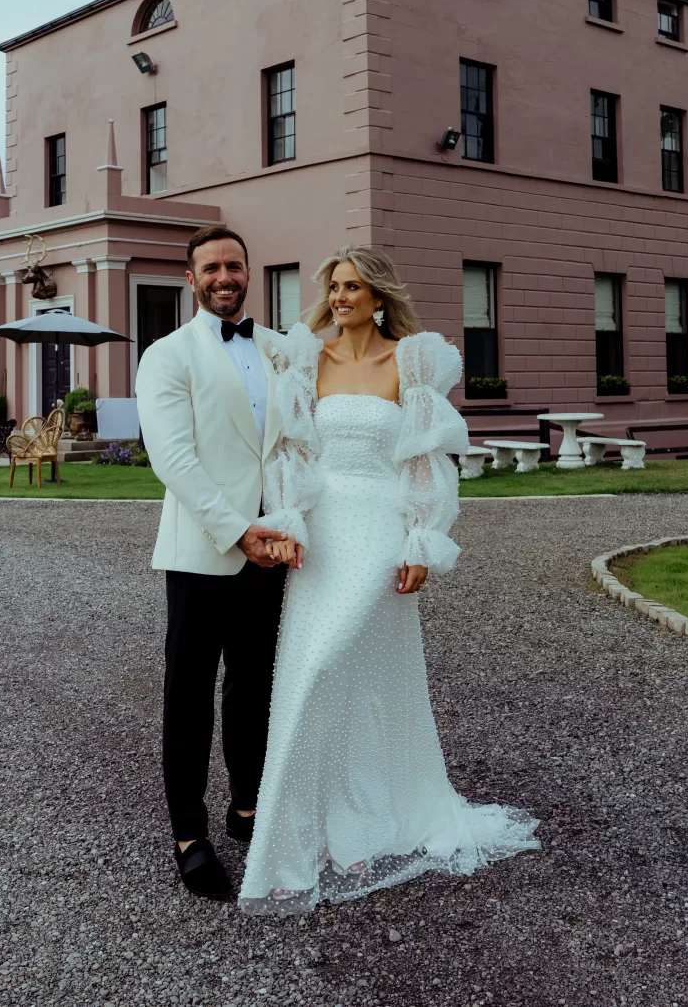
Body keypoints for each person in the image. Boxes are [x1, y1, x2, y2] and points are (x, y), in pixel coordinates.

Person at [239, 247, 540, 914]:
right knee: (317, 675)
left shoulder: (411, 362)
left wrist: (421, 543)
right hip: (321, 535)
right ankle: (328, 832)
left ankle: (353, 821)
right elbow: (292, 454)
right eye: (334, 286)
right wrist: (289, 522)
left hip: (377, 529)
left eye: (353, 287)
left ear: (378, 297)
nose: (340, 296)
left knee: (336, 666)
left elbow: (426, 465)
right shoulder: (305, 361)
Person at [136, 225, 296, 900]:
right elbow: (173, 460)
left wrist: (289, 525)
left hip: (274, 550)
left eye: (235, 265)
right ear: (191, 278)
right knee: (189, 694)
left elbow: (299, 446)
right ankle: (188, 835)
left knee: (256, 685)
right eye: (212, 267)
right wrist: (239, 532)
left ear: (249, 271)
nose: (226, 276)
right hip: (204, 551)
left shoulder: (285, 351)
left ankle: (248, 808)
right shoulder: (168, 355)